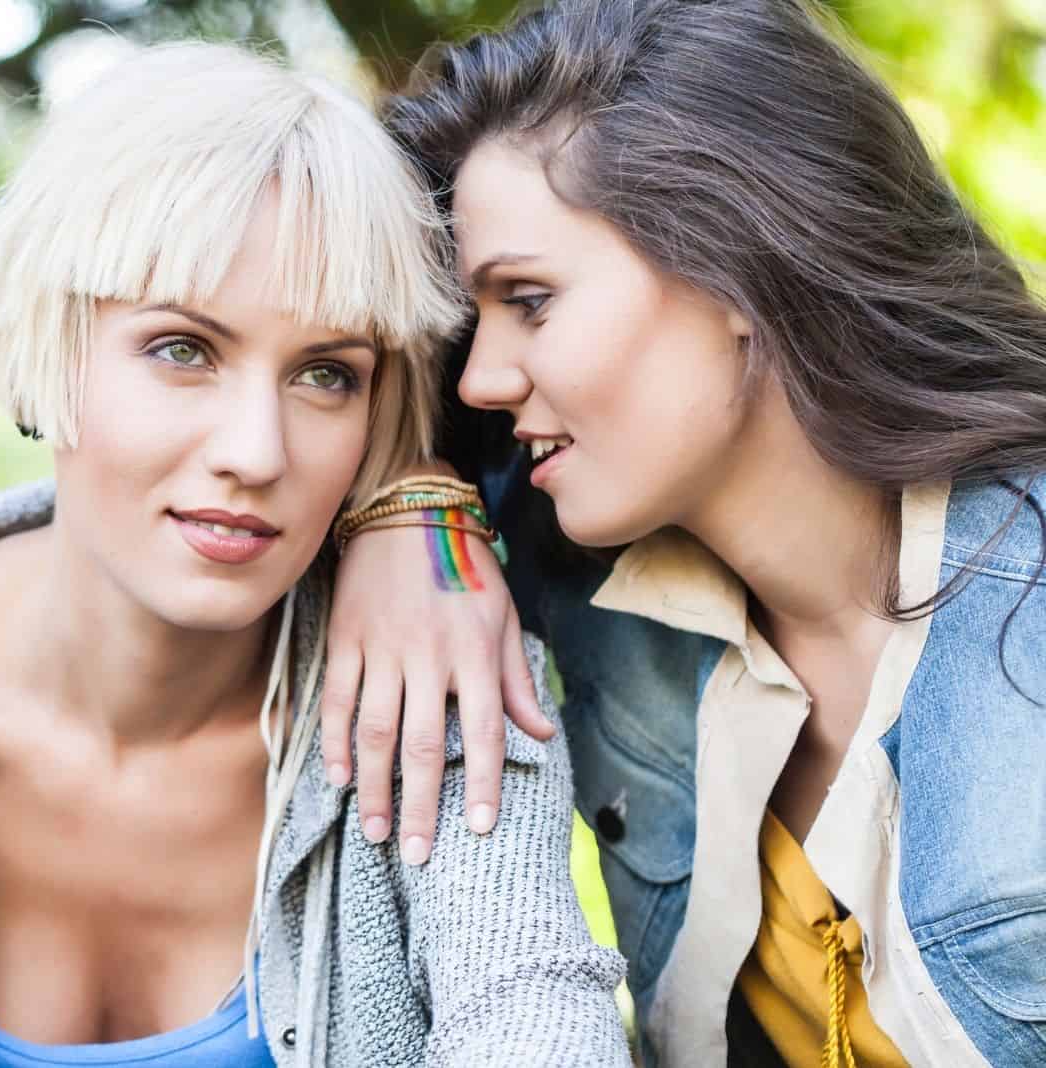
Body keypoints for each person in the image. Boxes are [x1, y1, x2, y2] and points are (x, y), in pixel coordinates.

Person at [0, 41, 629, 1068]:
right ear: (52, 340)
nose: (255, 453)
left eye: (324, 375)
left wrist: (419, 510)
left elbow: (534, 1019)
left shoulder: (439, 674)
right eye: (183, 350)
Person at [325, 0, 1046, 1064]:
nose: (482, 374)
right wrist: (409, 511)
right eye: (476, 321)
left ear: (734, 265)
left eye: (529, 300)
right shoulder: (584, 580)